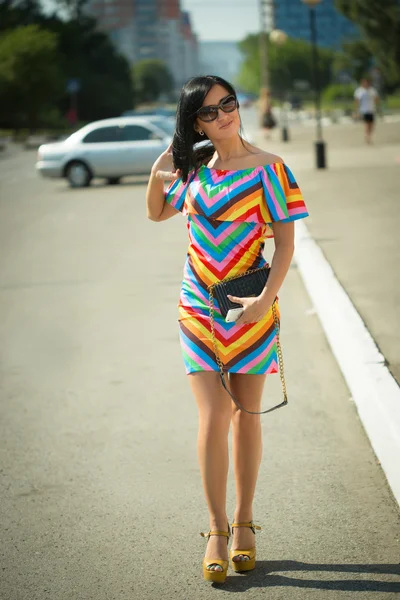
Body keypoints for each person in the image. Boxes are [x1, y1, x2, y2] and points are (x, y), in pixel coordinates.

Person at [145, 75, 309, 584]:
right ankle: (216, 528)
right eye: (210, 112)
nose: (223, 116)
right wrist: (161, 167)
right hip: (198, 307)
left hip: (248, 307)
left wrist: (265, 301)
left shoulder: (271, 170)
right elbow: (157, 213)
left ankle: (244, 522)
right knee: (215, 414)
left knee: (248, 415)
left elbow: (284, 244)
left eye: (229, 105)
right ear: (195, 122)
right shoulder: (193, 170)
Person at [354, 77, 380, 144]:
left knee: (372, 125)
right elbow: (357, 101)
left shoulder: (372, 90)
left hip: (371, 109)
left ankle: (368, 135)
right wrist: (356, 110)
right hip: (364, 110)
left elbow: (376, 99)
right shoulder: (360, 91)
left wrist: (377, 104)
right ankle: (367, 137)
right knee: (366, 124)